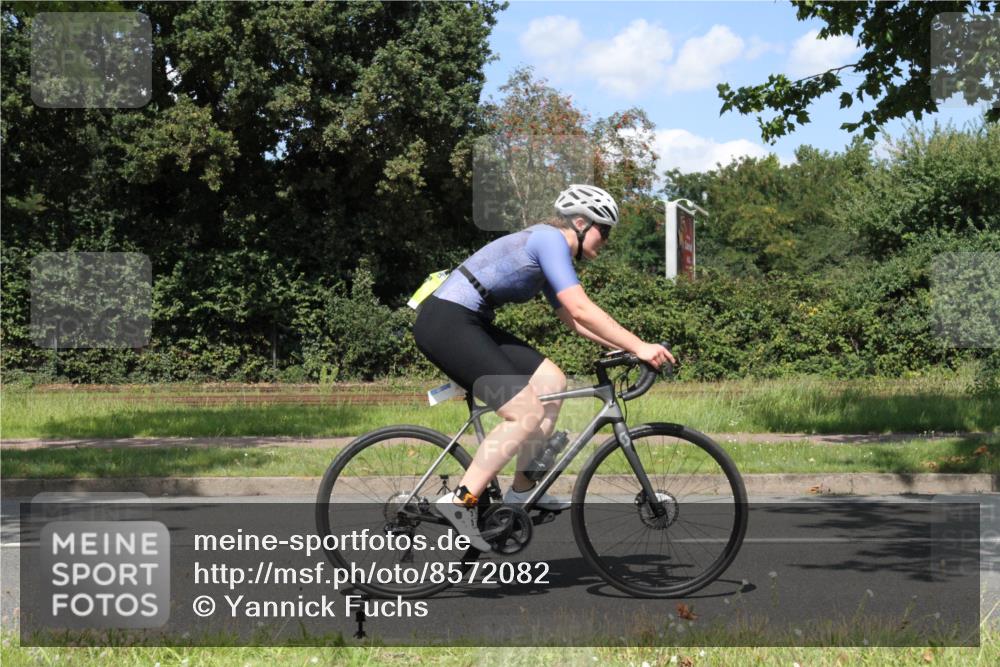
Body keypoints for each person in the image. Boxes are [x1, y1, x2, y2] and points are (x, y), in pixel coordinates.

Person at [413, 184, 675, 551]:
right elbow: (583, 309)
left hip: (470, 321)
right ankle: (461, 501)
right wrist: (641, 346)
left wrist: (628, 350)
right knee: (524, 413)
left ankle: (521, 492)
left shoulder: (555, 252)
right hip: (447, 321)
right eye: (605, 230)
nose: (607, 239)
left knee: (552, 381)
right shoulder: (550, 241)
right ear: (581, 223)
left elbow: (575, 320)